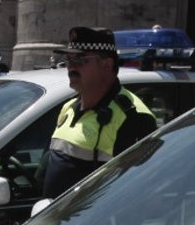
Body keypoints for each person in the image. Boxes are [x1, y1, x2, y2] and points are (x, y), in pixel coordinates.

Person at [42, 26, 158, 199]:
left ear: (107, 64)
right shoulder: (69, 107)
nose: (71, 66)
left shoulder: (134, 117)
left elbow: (135, 194)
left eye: (80, 59)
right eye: (69, 58)